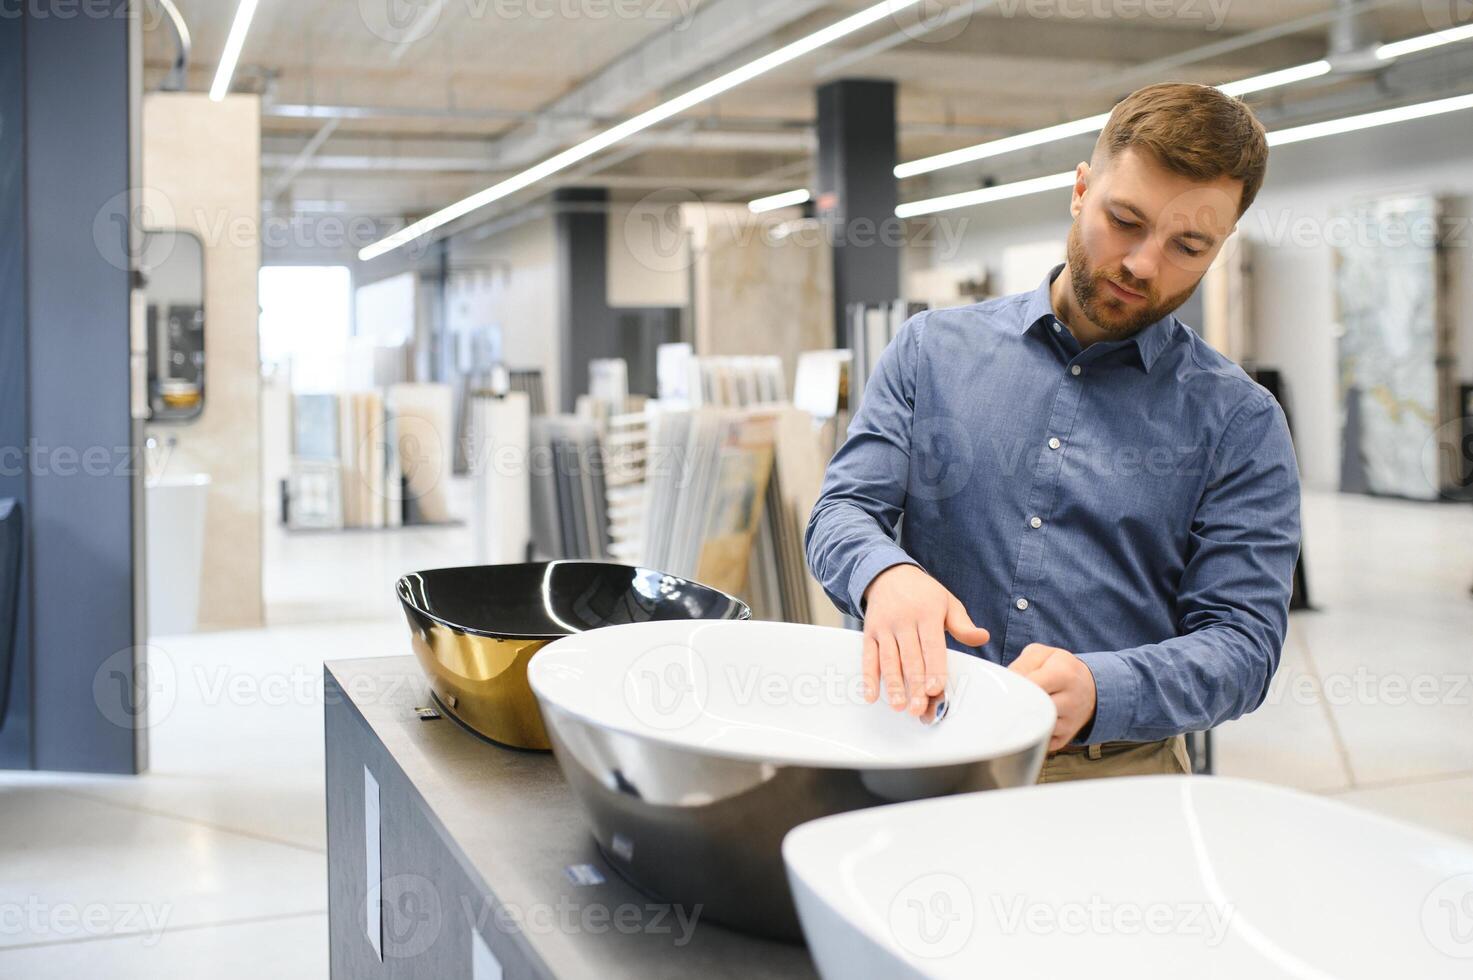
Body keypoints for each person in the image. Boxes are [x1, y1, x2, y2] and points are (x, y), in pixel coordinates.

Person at [805, 82, 1302, 782]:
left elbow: (1243, 647)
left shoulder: (1237, 423)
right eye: (1124, 220)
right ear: (1079, 189)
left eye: (1187, 246)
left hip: (1109, 775)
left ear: (1219, 247)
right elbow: (841, 510)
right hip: (906, 740)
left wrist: (1104, 688)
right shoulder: (931, 351)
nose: (1142, 265)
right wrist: (884, 575)